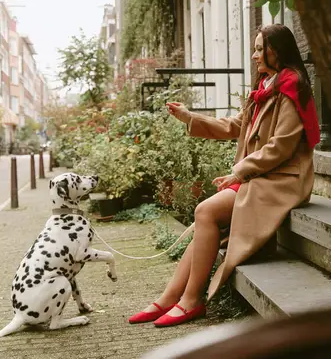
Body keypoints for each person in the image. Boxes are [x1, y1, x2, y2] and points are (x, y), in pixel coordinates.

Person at [128, 24, 320, 328]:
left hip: (283, 179)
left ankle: (191, 301)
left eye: (260, 49)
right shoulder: (268, 84)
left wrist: (239, 173)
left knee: (205, 211)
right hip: (262, 176)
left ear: (276, 51)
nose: (255, 56)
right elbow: (235, 126)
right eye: (255, 49)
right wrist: (190, 118)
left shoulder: (291, 86)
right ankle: (169, 298)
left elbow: (281, 146)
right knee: (206, 216)